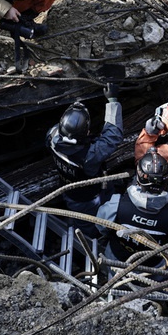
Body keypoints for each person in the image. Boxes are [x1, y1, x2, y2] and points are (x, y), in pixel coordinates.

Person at [95, 147, 168, 269]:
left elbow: (100, 226)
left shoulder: (116, 205)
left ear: (139, 178)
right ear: (167, 181)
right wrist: (166, 183)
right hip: (154, 266)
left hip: (117, 261)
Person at [46, 84, 123, 235]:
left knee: (81, 216)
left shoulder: (51, 137)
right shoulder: (89, 156)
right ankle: (94, 237)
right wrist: (112, 100)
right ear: (87, 132)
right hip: (88, 197)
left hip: (69, 191)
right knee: (91, 221)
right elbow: (113, 135)